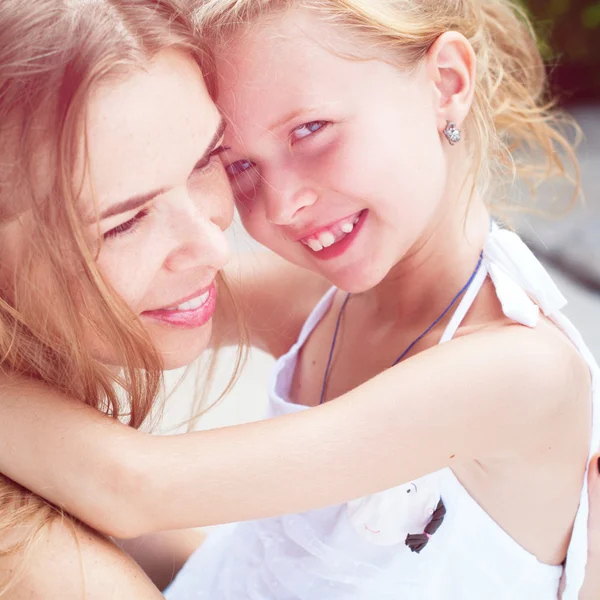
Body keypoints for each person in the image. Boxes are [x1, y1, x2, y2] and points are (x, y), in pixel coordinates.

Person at [0, 0, 598, 598]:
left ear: (446, 83)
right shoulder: (320, 300)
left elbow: (134, 488)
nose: (282, 204)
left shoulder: (519, 369)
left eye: (310, 131)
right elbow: (82, 311)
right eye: (235, 164)